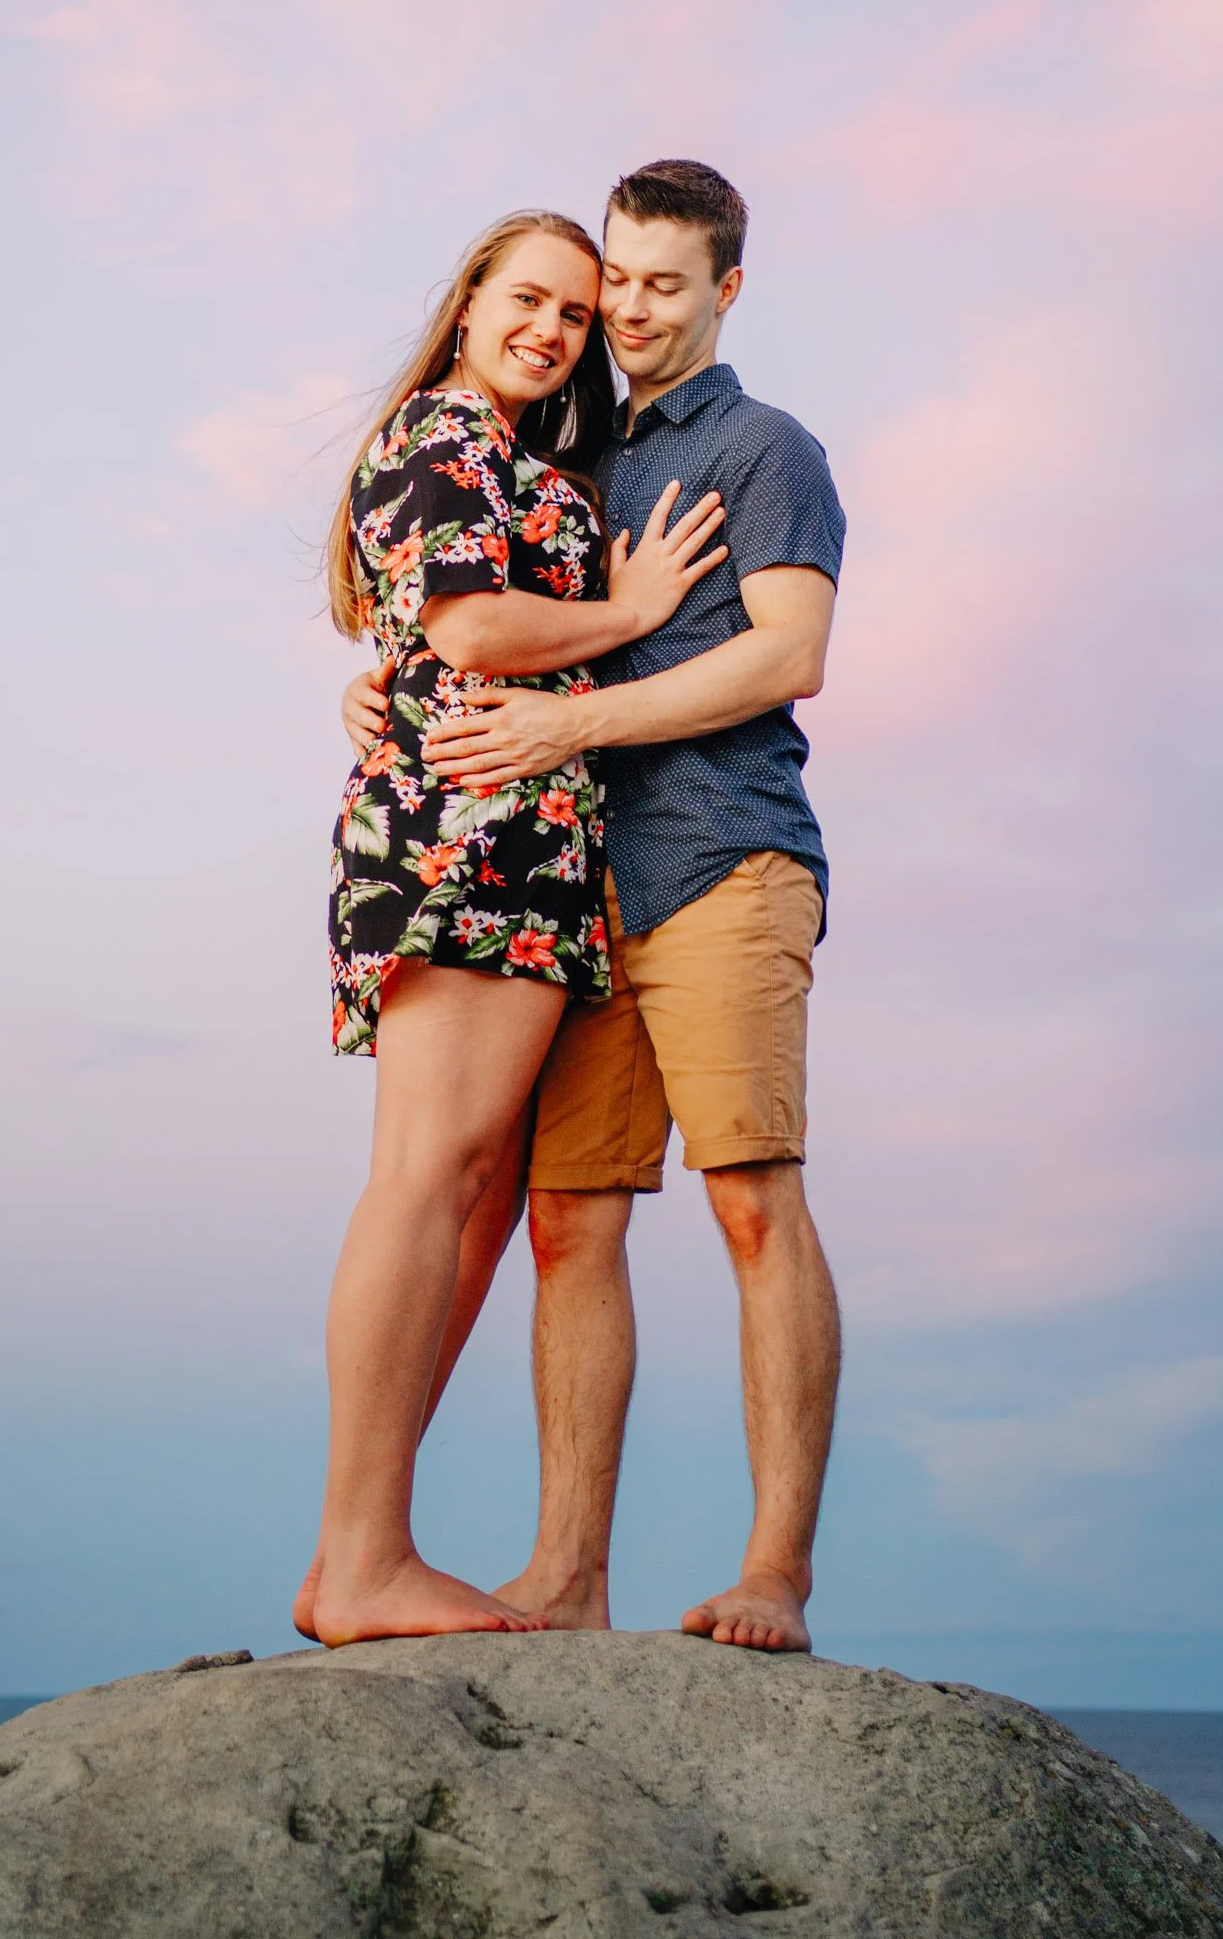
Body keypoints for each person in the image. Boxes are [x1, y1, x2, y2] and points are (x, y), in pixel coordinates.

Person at [345, 159, 846, 1653]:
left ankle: (775, 1575)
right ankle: (567, 1576)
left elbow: (787, 658)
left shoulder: (768, 447)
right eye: (608, 282)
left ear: (726, 291)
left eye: (657, 285)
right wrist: (395, 677)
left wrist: (572, 725)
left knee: (753, 1201)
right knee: (570, 1224)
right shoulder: (563, 454)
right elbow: (474, 611)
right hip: (559, 893)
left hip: (721, 859)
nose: (623, 311)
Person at [301, 207, 729, 1646]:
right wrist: (632, 609)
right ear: (469, 299)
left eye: (573, 310)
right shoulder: (443, 431)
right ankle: (358, 1556)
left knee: (475, 1190)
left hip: (522, 842)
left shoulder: (520, 451)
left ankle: (362, 1548)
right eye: (527, 300)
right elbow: (476, 632)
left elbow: (433, 633)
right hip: (468, 833)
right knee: (430, 1177)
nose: (551, 330)